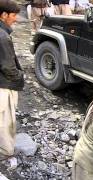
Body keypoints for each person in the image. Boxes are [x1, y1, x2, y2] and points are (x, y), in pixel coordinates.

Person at [0, 0, 24, 160]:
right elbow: (8, 67)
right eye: (14, 15)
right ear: (3, 15)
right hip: (3, 85)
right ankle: (5, 151)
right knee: (5, 119)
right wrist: (21, 76)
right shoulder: (2, 37)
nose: (15, 19)